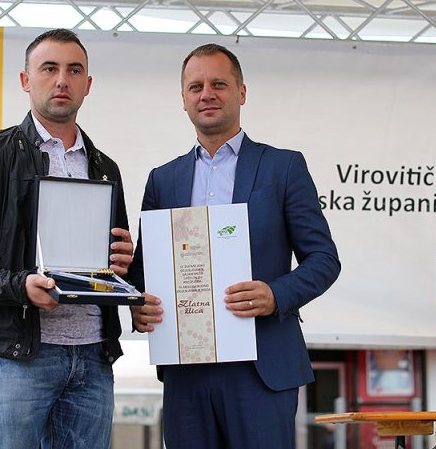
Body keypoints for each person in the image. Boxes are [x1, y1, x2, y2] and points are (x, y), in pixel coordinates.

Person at [130, 43, 341, 448]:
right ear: (183, 99)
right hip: (186, 371)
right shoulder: (162, 179)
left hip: (261, 368)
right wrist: (138, 303)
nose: (206, 94)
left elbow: (324, 259)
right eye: (196, 87)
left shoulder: (284, 167)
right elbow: (146, 269)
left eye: (219, 84)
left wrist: (275, 294)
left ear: (241, 92)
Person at [0, 28, 133, 449]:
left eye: (74, 70)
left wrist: (123, 263)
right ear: (26, 80)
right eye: (49, 68)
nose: (62, 80)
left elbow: (112, 264)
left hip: (93, 354)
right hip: (12, 355)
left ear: (87, 85)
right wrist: (19, 286)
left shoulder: (106, 168)